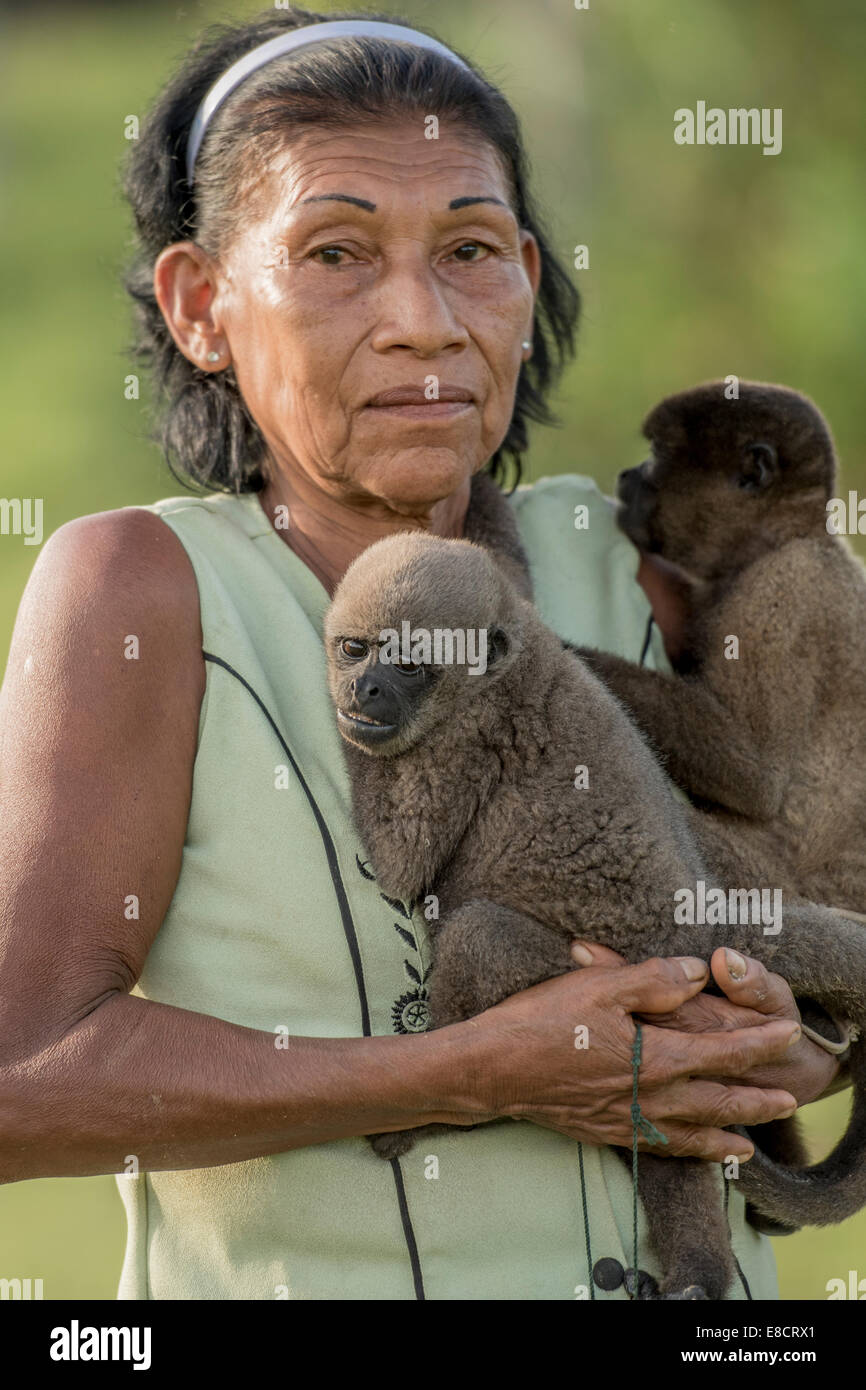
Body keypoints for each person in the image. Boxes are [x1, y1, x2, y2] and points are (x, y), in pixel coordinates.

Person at [0, 8, 842, 1301]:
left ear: (525, 275)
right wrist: (471, 1068)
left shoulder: (648, 565)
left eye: (468, 250)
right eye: (336, 251)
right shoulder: (148, 592)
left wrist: (802, 1043)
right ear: (201, 304)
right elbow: (23, 1082)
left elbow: (822, 885)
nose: (422, 320)